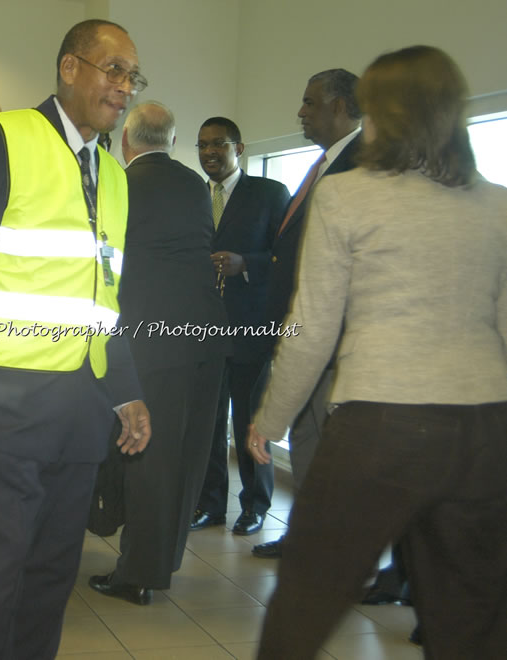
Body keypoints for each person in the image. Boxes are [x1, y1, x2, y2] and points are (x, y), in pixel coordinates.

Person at [247, 45, 507, 658]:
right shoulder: (498, 205)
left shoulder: (347, 197)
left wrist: (271, 418)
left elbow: (311, 328)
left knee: (305, 604)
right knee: (471, 619)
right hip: (485, 432)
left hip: (380, 427)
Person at [0, 19, 151, 659]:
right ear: (69, 68)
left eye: (132, 77)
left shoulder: (115, 177)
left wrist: (125, 391)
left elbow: (106, 298)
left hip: (77, 419)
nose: (124, 87)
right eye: (113, 69)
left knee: (48, 588)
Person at [88, 102, 229, 605]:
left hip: (153, 338)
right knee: (189, 453)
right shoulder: (195, 185)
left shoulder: (119, 184)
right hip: (208, 335)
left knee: (148, 454)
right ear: (171, 141)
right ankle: (163, 558)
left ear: (126, 141)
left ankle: (137, 574)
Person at [249, 68, 362, 559]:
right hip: (302, 332)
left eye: (310, 102)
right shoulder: (324, 164)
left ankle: (325, 549)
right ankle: (308, 539)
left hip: (332, 339)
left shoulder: (361, 166)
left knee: (329, 450)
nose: (300, 112)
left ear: (340, 106)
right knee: (309, 441)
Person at [190, 117, 290, 537]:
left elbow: (285, 258)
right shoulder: (192, 194)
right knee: (209, 424)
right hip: (202, 332)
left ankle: (255, 506)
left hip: (250, 329)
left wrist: (245, 263)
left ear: (240, 148)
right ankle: (211, 504)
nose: (210, 152)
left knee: (250, 421)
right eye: (202, 145)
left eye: (219, 144)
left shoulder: (269, 194)